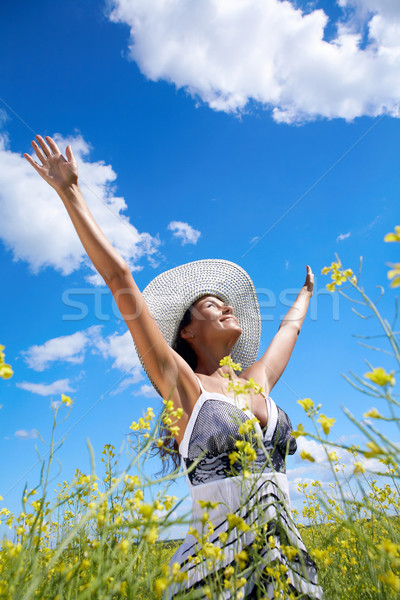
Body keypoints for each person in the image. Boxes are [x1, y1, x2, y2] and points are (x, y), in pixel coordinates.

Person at [25, 136, 324, 599]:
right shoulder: (184, 388)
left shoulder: (256, 381)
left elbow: (290, 330)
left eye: (229, 304)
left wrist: (306, 293)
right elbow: (121, 279)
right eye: (212, 303)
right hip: (216, 568)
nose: (228, 308)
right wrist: (70, 192)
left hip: (286, 562)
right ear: (186, 333)